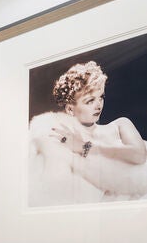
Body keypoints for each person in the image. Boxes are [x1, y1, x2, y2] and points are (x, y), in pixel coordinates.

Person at [28, 61, 147, 206]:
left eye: (101, 97)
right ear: (70, 109)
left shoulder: (120, 125)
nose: (98, 105)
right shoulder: (66, 140)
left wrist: (86, 147)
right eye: (90, 101)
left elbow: (139, 156)